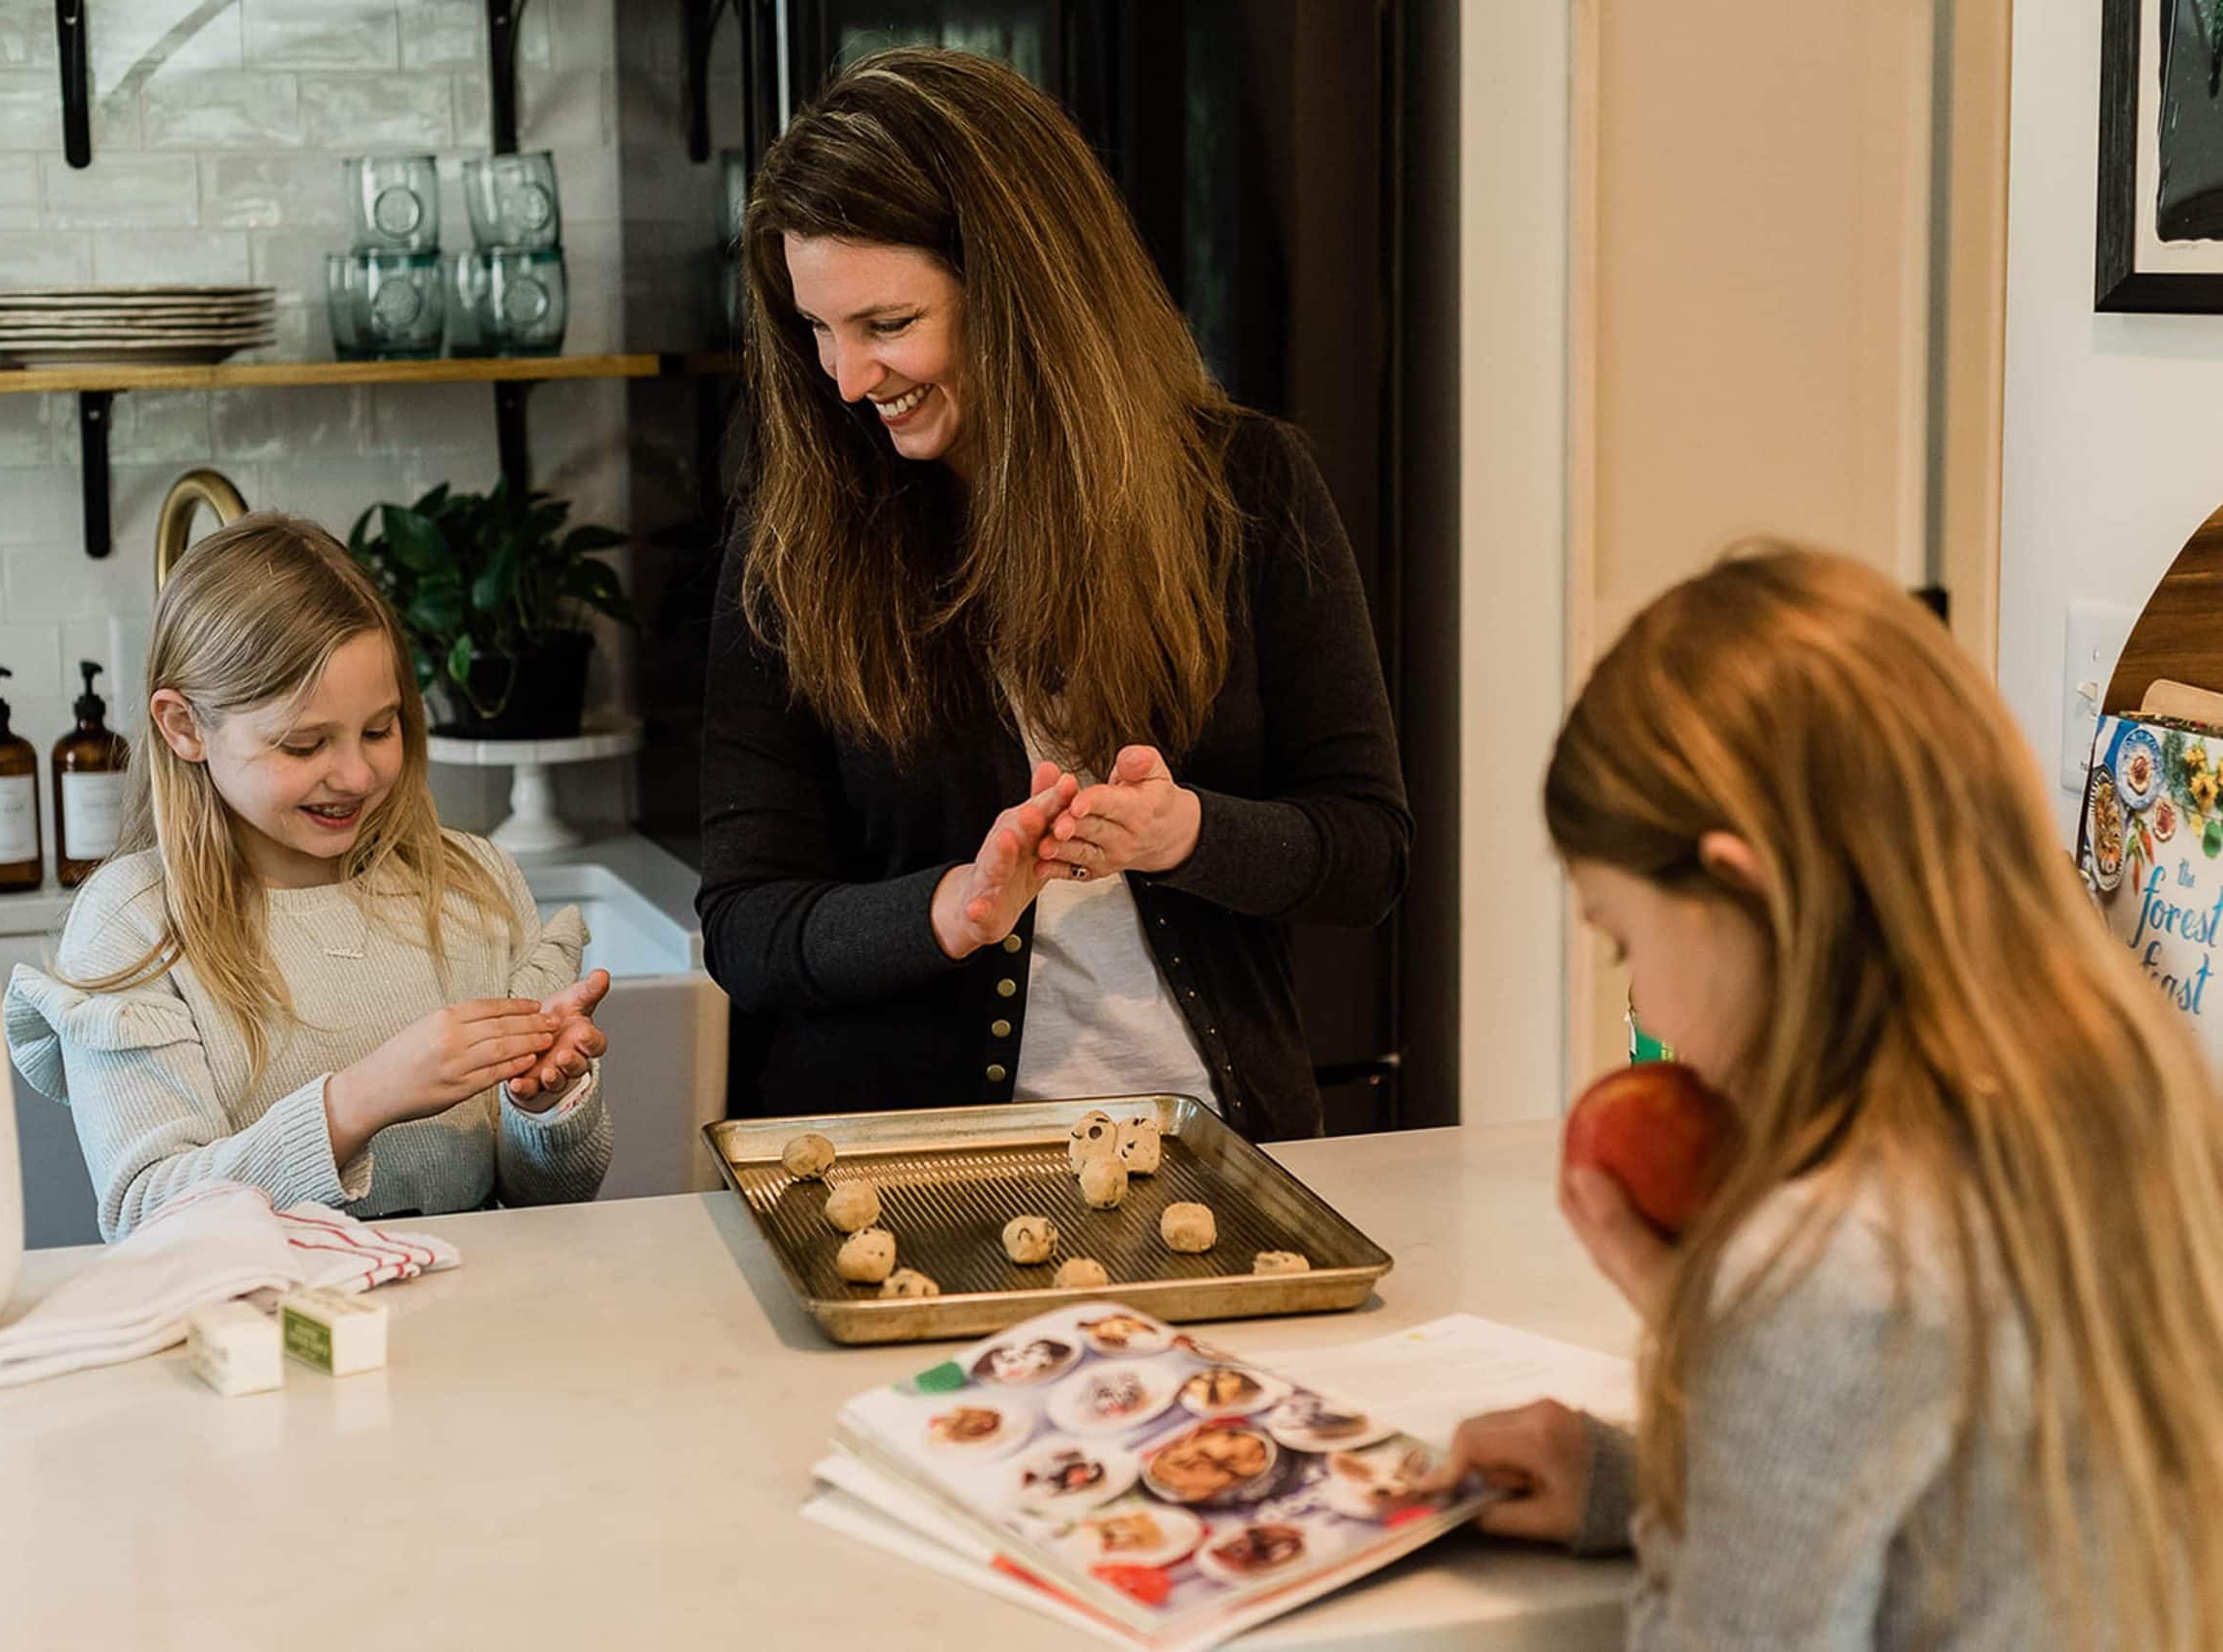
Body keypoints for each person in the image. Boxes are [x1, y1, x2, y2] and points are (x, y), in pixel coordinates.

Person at [1420, 547, 2223, 1648]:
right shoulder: (2128, 1095)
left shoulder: (1823, 1264)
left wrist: (1701, 1345)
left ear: (1741, 889)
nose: (1641, 996)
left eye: (1622, 941)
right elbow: (1959, 1504)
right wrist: (1630, 1474)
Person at [697, 47, 1409, 1137]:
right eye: (817, 330)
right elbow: (747, 927)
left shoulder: (1248, 487)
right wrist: (950, 909)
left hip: (1222, 1149)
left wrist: (1186, 833)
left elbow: (1367, 853)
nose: (844, 378)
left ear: (1022, 291)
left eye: (887, 325)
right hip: (904, 1177)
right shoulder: (790, 548)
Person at [5, 514, 614, 1240]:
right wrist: (362, 1098)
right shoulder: (133, 926)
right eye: (304, 742)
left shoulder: (472, 885)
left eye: (381, 729)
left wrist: (545, 1108)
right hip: (255, 1342)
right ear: (184, 726)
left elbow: (551, 1202)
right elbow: (148, 1217)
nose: (356, 774)